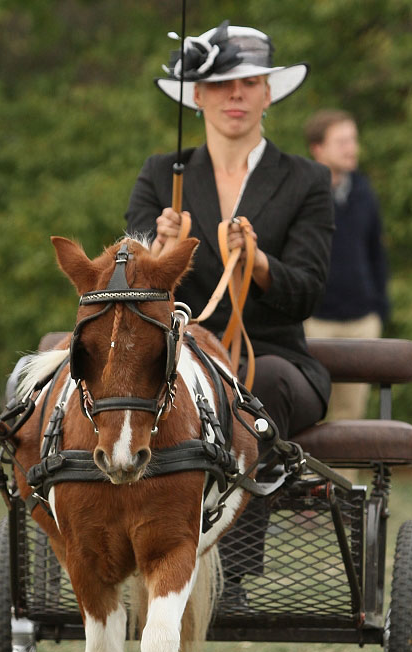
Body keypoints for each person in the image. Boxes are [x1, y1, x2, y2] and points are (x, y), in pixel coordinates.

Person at [125, 22, 334, 608]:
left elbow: (308, 292)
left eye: (248, 83)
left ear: (269, 92)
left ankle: (230, 575)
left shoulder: (307, 180)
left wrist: (260, 262)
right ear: (197, 95)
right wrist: (157, 251)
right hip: (180, 352)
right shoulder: (159, 173)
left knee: (254, 385)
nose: (234, 95)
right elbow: (131, 283)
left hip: (276, 360)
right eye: (220, 84)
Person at [304, 109, 390, 422]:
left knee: (352, 418)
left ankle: (345, 476)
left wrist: (379, 309)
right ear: (318, 149)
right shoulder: (302, 193)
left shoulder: (364, 192)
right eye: (341, 141)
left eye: (353, 139)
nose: (351, 148)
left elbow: (376, 254)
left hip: (362, 322)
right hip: (315, 322)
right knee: (313, 414)